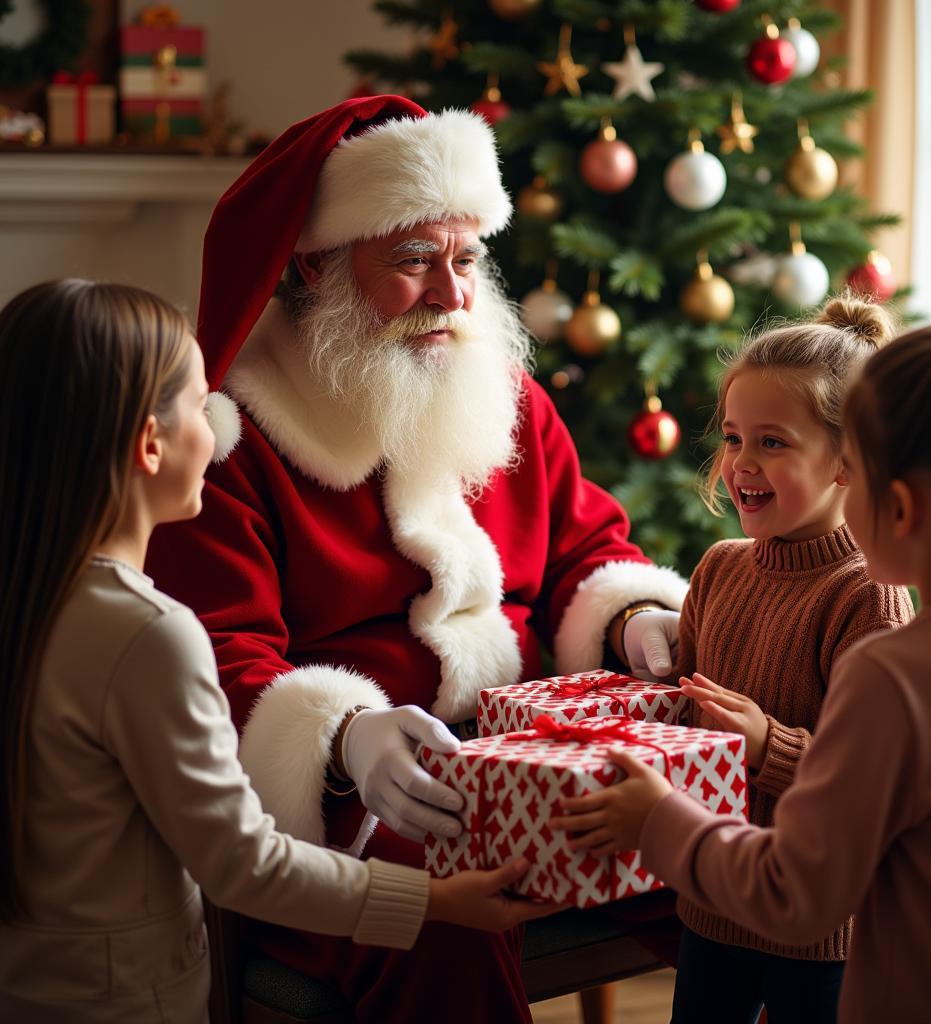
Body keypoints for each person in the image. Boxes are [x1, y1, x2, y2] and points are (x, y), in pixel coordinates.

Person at [145, 94, 689, 1022]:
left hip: (531, 753)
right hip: (359, 802)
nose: (452, 294)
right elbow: (209, 660)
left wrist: (637, 620)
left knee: (726, 836)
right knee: (442, 903)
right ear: (315, 265)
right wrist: (343, 735)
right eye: (411, 260)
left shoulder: (505, 395)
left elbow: (589, 548)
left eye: (466, 258)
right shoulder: (233, 441)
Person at [0, 280, 558, 1024]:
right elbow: (240, 864)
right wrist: (435, 902)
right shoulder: (148, 633)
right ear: (149, 443)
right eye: (205, 406)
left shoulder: (32, 598)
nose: (224, 432)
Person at [554, 275, 931, 1022]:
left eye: (772, 442)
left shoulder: (876, 621)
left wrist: (750, 753)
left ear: (859, 476)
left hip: (818, 942)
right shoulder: (718, 569)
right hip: (713, 908)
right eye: (734, 437)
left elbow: (839, 835)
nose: (741, 462)